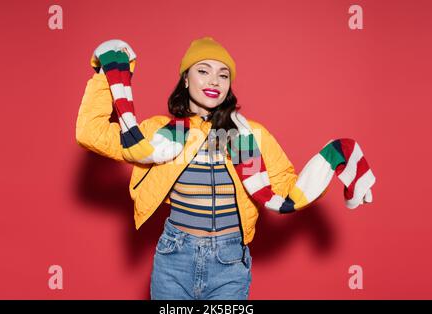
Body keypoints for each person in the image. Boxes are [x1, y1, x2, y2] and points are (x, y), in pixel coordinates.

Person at [75, 36, 375, 300]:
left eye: (223, 75)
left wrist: (337, 157)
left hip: (229, 261)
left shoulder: (249, 136)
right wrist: (107, 76)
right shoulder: (158, 134)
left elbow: (283, 188)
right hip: (174, 256)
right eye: (203, 71)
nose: (214, 81)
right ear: (185, 79)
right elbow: (90, 133)